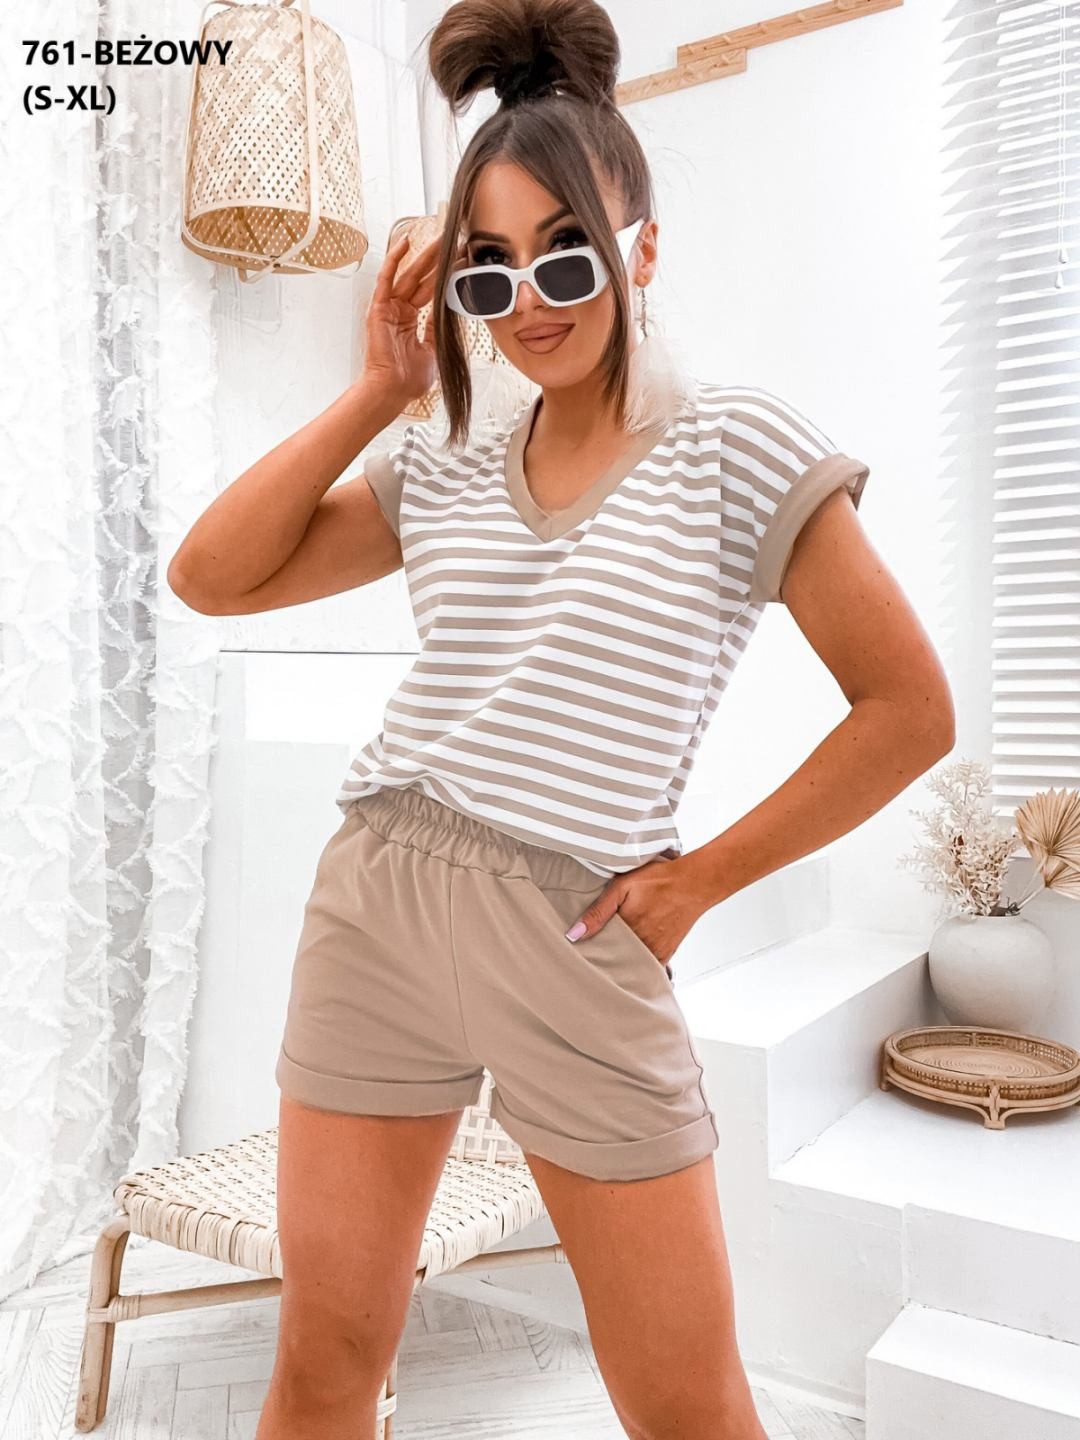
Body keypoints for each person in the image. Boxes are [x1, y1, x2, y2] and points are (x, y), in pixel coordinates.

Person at [168, 2, 955, 1436]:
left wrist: (701, 880)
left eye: (566, 253)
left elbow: (910, 710)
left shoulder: (738, 444)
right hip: (380, 901)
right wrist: (380, 389)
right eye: (487, 268)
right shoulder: (448, 457)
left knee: (686, 1406)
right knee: (325, 1359)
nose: (530, 299)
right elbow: (211, 575)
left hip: (576, 933)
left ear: (641, 252)